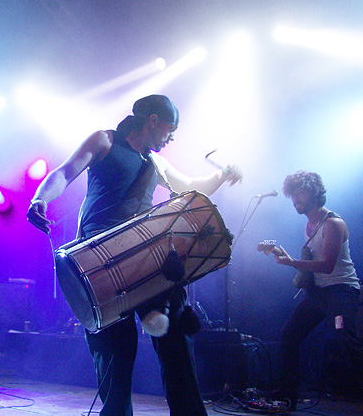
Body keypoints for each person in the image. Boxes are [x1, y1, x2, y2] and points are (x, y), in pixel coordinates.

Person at [27, 94, 242, 416]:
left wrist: (223, 174)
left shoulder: (156, 162)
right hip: (100, 260)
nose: (172, 137)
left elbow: (191, 187)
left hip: (149, 260)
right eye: (171, 129)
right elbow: (64, 172)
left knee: (177, 343)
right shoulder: (105, 141)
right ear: (153, 120)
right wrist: (39, 199)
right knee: (116, 354)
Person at [269, 171, 363, 414]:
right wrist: (292, 262)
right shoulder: (308, 225)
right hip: (319, 293)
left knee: (346, 343)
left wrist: (292, 263)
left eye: (301, 193)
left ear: (314, 192)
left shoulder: (333, 223)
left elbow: (328, 265)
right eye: (293, 194)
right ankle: (288, 397)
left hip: (341, 290)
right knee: (289, 336)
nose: (296, 199)